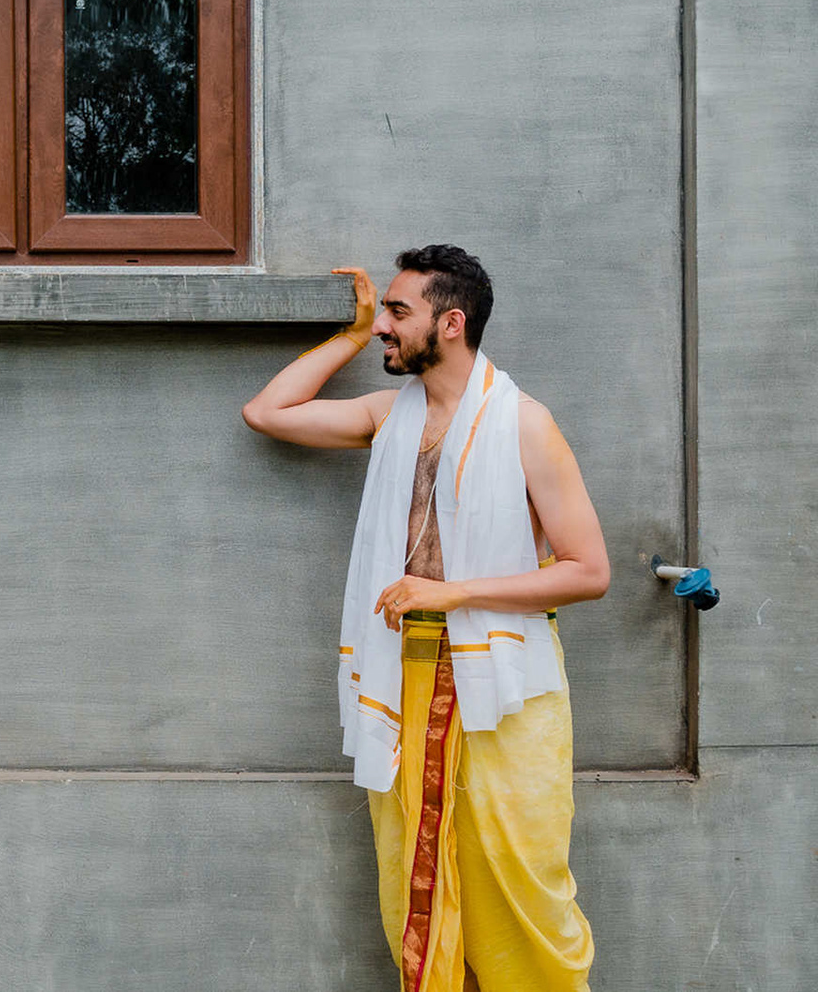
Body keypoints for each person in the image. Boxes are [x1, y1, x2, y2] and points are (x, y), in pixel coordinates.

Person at [241, 245, 606, 992]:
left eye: (397, 313)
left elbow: (588, 570)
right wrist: (349, 336)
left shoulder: (525, 424)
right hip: (404, 672)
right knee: (418, 867)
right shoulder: (390, 415)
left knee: (517, 873)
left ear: (451, 323)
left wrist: (453, 592)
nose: (384, 326)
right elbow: (267, 412)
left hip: (503, 686)